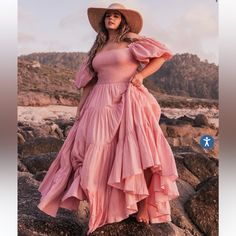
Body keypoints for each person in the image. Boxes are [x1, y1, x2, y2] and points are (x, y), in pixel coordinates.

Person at [37, 3, 180, 235]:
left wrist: (140, 75)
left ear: (123, 20)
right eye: (108, 15)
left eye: (116, 15)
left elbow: (162, 54)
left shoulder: (133, 41)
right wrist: (80, 110)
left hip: (129, 99)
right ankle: (100, 208)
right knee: (95, 154)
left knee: (139, 151)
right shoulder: (98, 48)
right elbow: (88, 83)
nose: (111, 18)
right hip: (99, 102)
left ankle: (142, 206)